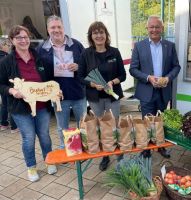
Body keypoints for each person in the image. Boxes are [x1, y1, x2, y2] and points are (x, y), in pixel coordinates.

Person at [0, 25, 57, 182]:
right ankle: (31, 167)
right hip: (20, 109)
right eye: (19, 38)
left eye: (25, 37)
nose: (23, 40)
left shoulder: (40, 58)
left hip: (42, 106)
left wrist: (55, 91)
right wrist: (12, 91)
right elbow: (1, 85)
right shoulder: (6, 62)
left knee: (44, 135)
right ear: (12, 40)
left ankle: (49, 160)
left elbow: (50, 80)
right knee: (29, 137)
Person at [129, 15, 181, 158]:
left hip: (163, 91)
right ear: (147, 28)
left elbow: (176, 67)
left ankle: (160, 146)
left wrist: (167, 78)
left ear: (162, 29)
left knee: (160, 121)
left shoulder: (170, 46)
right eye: (151, 27)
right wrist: (148, 78)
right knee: (146, 121)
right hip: (146, 91)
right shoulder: (139, 46)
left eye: (157, 27)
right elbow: (133, 69)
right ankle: (145, 148)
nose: (154, 29)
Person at [78, 21, 126, 171]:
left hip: (113, 96)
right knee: (100, 126)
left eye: (101, 32)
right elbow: (80, 77)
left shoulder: (114, 52)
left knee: (115, 124)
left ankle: (119, 155)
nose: (99, 35)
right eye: (95, 33)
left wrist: (112, 82)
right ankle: (105, 156)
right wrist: (93, 84)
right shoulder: (86, 53)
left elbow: (123, 75)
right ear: (91, 36)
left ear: (106, 35)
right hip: (95, 97)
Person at [37, 15, 86, 149]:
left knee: (82, 125)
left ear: (63, 28)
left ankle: (83, 147)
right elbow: (39, 72)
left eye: (59, 27)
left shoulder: (76, 45)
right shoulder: (41, 49)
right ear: (48, 29)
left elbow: (87, 65)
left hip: (78, 92)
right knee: (62, 127)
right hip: (58, 95)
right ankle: (66, 149)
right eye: (53, 27)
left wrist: (79, 66)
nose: (56, 30)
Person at [0, 37, 18, 133]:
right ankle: (14, 127)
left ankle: (3, 124)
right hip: (7, 85)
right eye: (8, 45)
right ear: (2, 46)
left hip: (2, 85)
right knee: (10, 104)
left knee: (4, 104)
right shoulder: (5, 58)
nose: (9, 47)